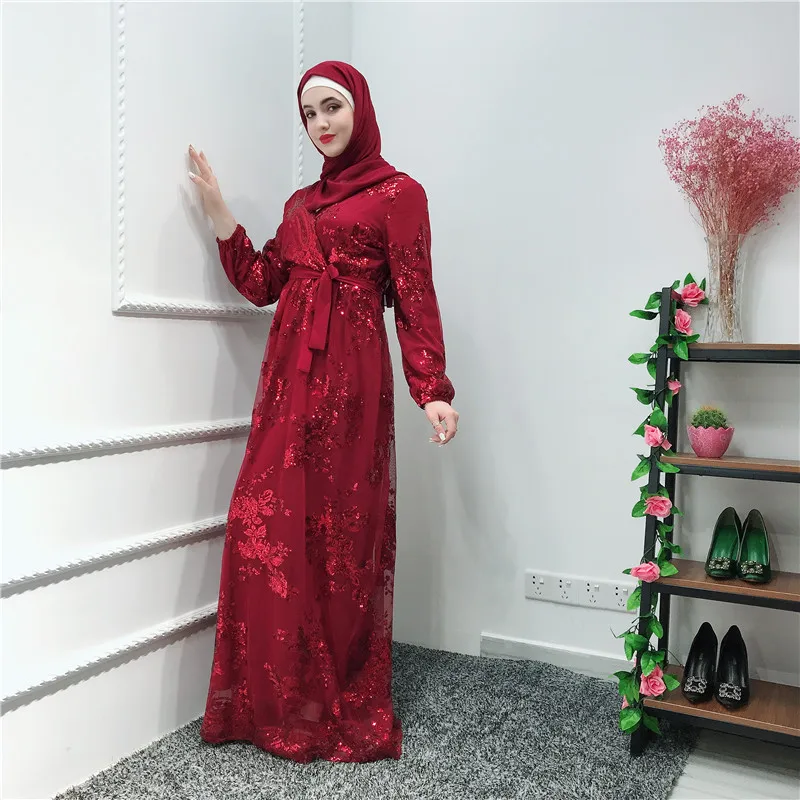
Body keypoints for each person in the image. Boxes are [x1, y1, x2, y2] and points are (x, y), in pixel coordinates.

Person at [188, 60, 458, 763]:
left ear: (359, 107)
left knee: (340, 536)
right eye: (309, 113)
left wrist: (431, 388)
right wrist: (219, 211)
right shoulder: (299, 205)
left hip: (352, 379)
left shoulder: (400, 194)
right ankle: (276, 699)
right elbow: (261, 282)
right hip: (288, 381)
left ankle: (331, 697)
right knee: (267, 523)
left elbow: (416, 295)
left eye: (332, 106)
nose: (321, 123)